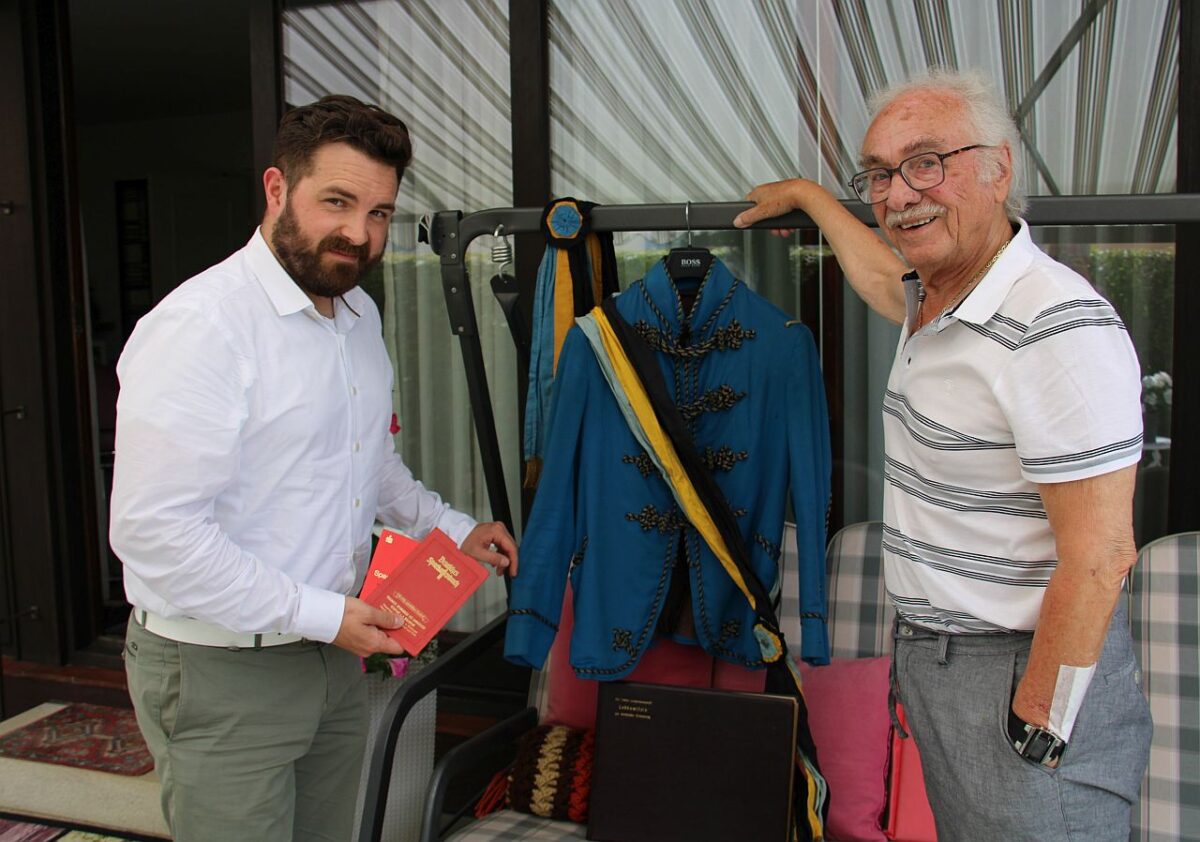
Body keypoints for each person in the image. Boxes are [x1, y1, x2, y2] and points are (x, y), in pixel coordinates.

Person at [735, 69, 1151, 840]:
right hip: (940, 664)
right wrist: (811, 197)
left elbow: (1101, 558)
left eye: (926, 163)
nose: (899, 194)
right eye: (879, 174)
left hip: (1015, 673)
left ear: (999, 169)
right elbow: (877, 273)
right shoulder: (936, 297)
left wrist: (1035, 726)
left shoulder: (1055, 326)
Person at [110, 94, 518, 842]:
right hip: (220, 667)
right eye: (337, 202)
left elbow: (369, 464)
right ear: (277, 189)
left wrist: (452, 528)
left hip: (332, 655)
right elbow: (155, 534)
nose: (358, 233)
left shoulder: (358, 315)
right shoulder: (200, 328)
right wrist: (328, 617)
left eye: (379, 212)